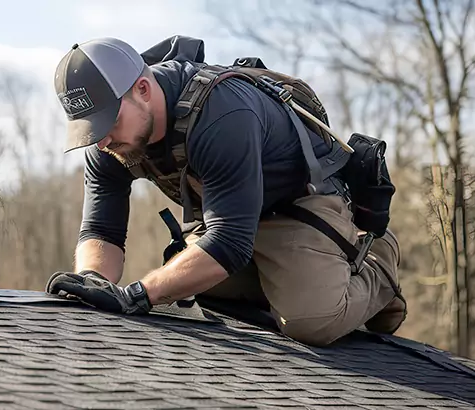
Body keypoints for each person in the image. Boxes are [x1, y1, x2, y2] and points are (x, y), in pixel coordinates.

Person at [44, 35, 406, 347]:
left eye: (110, 122)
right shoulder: (108, 141)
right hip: (230, 214)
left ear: (142, 89)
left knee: (311, 320)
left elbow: (229, 243)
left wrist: (138, 294)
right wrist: (92, 282)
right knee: (194, 286)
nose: (102, 139)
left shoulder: (220, 113)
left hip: (299, 204)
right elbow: (101, 231)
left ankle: (377, 260)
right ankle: (292, 280)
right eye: (91, 128)